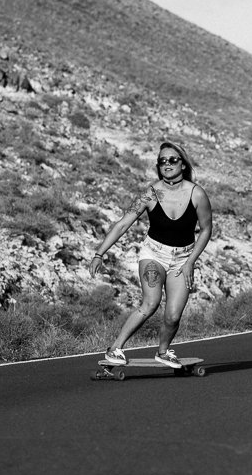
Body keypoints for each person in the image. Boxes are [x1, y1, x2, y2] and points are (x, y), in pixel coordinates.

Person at [89, 142, 212, 368]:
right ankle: (115, 348)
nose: (167, 164)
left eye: (172, 160)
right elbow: (122, 225)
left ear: (183, 165)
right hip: (154, 253)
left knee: (173, 315)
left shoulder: (197, 194)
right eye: (162, 161)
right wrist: (99, 253)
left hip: (183, 258)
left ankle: (163, 352)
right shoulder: (150, 194)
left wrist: (190, 262)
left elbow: (206, 229)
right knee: (150, 303)